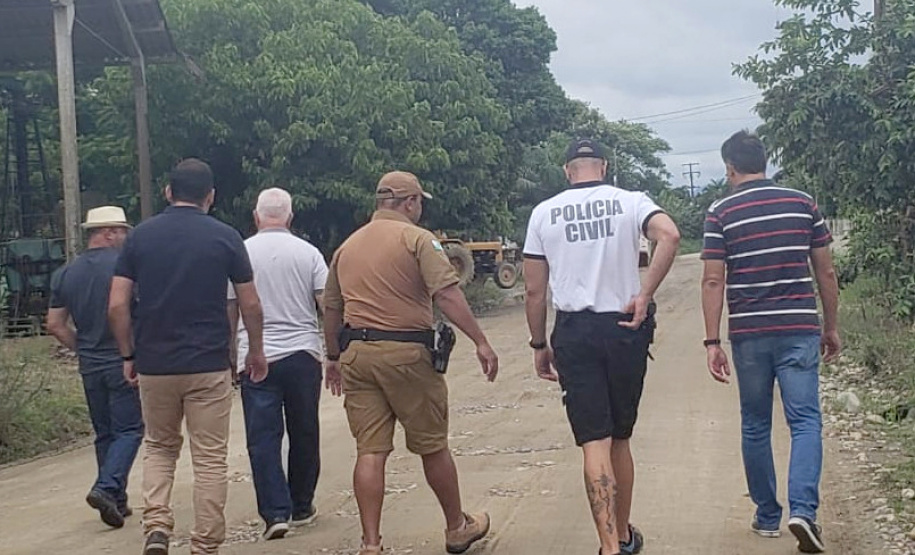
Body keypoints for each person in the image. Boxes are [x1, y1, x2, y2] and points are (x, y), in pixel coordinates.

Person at [323, 171, 499, 555]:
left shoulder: (347, 247)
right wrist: (481, 341)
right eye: (420, 201)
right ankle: (456, 526)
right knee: (432, 444)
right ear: (409, 202)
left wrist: (332, 358)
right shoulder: (418, 239)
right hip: (406, 354)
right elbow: (448, 295)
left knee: (370, 450)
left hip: (357, 355)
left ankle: (371, 543)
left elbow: (331, 306)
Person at [523, 139, 681, 555]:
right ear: (604, 167)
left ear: (566, 170)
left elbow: (534, 291)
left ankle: (609, 546)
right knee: (621, 438)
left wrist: (539, 343)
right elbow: (670, 234)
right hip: (624, 325)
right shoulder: (631, 202)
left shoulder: (544, 212)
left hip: (574, 330)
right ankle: (625, 535)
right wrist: (644, 293)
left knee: (594, 442)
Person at [108, 158, 268, 555]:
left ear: (167, 192)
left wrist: (129, 353)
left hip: (155, 363)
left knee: (160, 446)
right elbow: (250, 304)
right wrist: (255, 351)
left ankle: (157, 528)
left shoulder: (139, 237)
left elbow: (116, 305)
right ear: (210, 197)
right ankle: (205, 544)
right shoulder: (226, 237)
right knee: (210, 457)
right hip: (208, 363)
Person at [700, 131, 841, 554]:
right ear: (765, 162)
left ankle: (766, 516)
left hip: (750, 335)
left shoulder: (720, 212)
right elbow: (827, 274)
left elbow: (712, 278)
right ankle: (804, 512)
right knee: (805, 421)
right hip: (799, 329)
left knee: (755, 423)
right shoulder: (803, 203)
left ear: (730, 168)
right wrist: (830, 326)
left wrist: (711, 340)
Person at [227, 188, 328, 540]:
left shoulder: (240, 252)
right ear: (290, 216)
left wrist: (231, 352)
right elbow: (326, 304)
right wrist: (333, 353)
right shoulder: (309, 253)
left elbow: (231, 308)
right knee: (304, 430)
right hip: (302, 354)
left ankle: (274, 513)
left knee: (263, 437)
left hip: (255, 356)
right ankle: (302, 505)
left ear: (256, 217)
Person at [47, 205, 143, 529]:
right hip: (121, 358)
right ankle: (106, 487)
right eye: (123, 231)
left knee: (105, 433)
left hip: (89, 363)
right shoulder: (124, 266)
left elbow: (55, 324)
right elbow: (132, 310)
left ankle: (116, 499)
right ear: (110, 232)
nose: (126, 238)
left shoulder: (66, 272)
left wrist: (81, 347)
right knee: (130, 429)